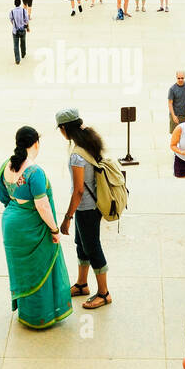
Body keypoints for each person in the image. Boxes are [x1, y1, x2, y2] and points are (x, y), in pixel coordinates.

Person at [57, 109, 111, 310]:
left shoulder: (77, 156)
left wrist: (67, 217)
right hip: (92, 206)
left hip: (86, 208)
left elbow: (78, 190)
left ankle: (104, 293)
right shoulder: (89, 143)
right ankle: (82, 284)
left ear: (64, 129)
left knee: (92, 247)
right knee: (82, 244)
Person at [9, 0, 29, 64]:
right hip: (23, 29)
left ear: (14, 4)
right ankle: (23, 53)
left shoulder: (12, 12)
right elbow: (26, 20)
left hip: (15, 31)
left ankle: (17, 60)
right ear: (20, 3)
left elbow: (11, 20)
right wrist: (28, 27)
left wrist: (14, 25)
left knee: (16, 45)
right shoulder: (24, 10)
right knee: (23, 42)